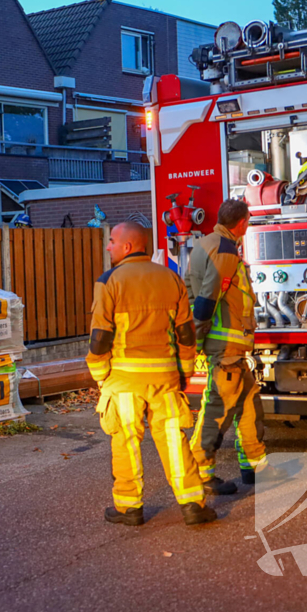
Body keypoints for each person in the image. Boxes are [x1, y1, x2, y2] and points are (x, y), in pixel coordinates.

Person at [87, 221, 216, 527]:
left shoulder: (109, 281)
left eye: (112, 241)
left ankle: (129, 508)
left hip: (124, 380)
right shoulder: (171, 279)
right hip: (165, 379)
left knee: (125, 441)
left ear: (128, 246)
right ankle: (192, 505)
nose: (109, 246)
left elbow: (100, 337)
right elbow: (186, 335)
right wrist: (184, 374)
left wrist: (100, 375)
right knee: (174, 439)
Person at [185, 199, 266, 495]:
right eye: (248, 221)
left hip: (231, 347)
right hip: (225, 346)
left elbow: (192, 290)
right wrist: (197, 340)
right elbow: (208, 296)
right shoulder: (226, 250)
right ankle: (199, 472)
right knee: (217, 409)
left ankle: (256, 467)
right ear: (242, 223)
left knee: (249, 405)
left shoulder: (206, 243)